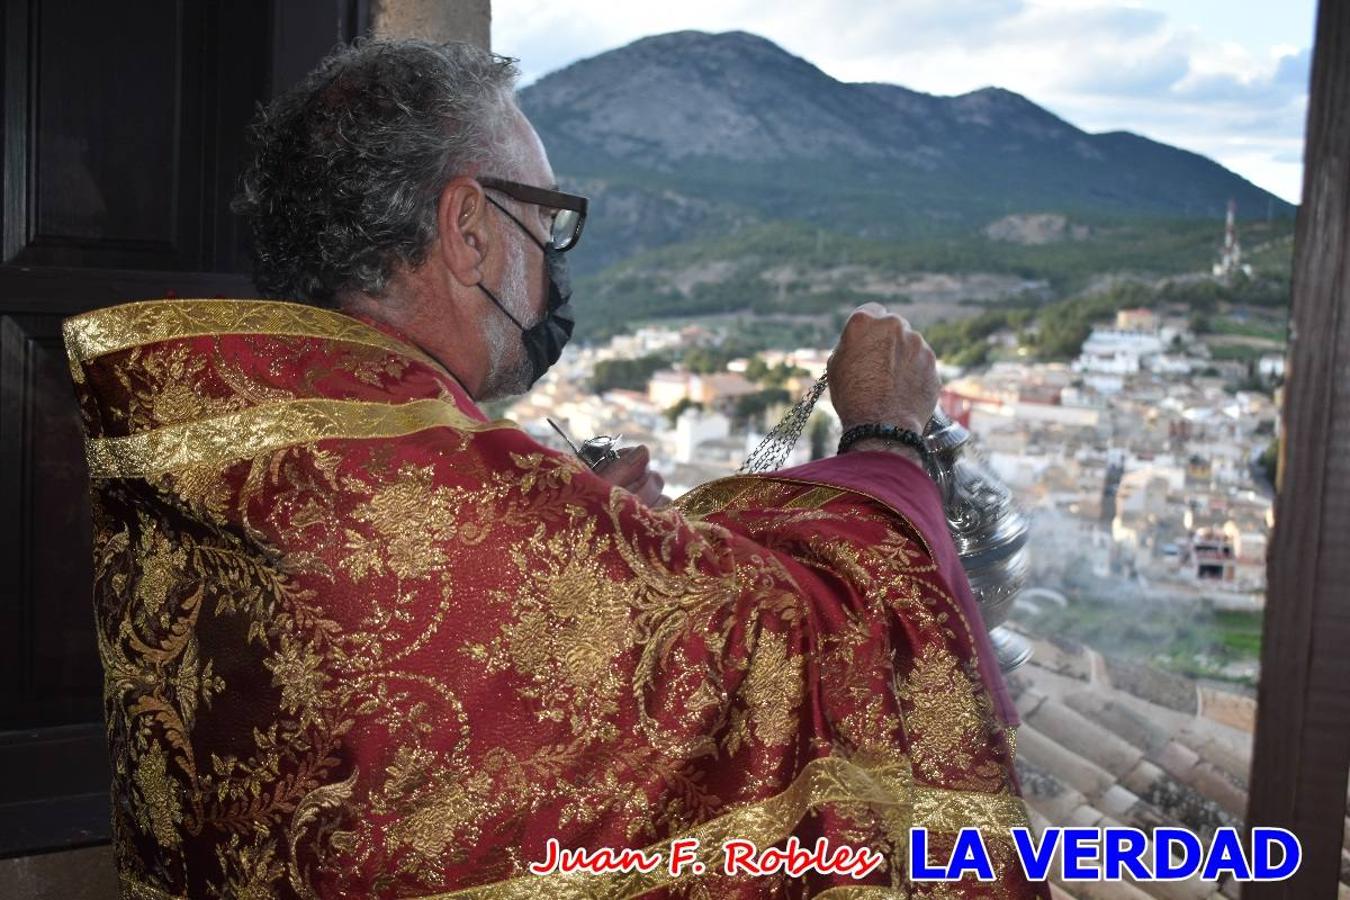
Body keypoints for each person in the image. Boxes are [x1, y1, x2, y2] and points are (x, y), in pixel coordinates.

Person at [63, 39, 1044, 899]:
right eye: (545, 223)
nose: (553, 265)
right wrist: (887, 439)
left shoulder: (239, 453)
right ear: (469, 230)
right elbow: (808, 650)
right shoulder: (461, 500)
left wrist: (585, 540)